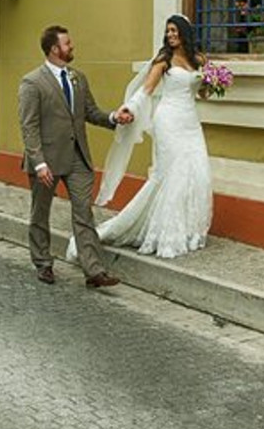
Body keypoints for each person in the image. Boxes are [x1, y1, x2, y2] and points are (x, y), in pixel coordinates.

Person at [67, 14, 213, 260]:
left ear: (185, 32)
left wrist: (213, 82)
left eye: (175, 31)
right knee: (173, 175)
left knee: (198, 173)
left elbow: (203, 94)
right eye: (168, 31)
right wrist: (130, 109)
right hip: (168, 121)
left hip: (190, 122)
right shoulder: (163, 60)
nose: (170, 35)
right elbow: (146, 90)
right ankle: (167, 235)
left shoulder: (198, 59)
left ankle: (189, 230)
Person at [18, 25, 132, 287]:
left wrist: (115, 117)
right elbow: (29, 126)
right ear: (54, 49)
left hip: (77, 158)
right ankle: (43, 263)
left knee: (83, 213)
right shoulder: (32, 82)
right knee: (40, 213)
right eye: (68, 44)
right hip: (46, 160)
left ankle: (93, 271)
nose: (72, 47)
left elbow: (90, 112)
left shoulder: (78, 78)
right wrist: (39, 163)